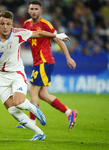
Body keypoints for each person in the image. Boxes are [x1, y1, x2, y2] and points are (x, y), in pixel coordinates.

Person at [0, 10, 70, 140]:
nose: (5, 27)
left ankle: (33, 108)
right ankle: (39, 133)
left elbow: (38, 33)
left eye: (8, 24)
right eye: (2, 23)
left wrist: (56, 36)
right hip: (0, 76)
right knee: (12, 111)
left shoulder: (18, 33)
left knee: (19, 102)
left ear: (12, 24)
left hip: (17, 74)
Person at [17, 0, 77, 129]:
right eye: (31, 9)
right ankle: (69, 112)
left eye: (36, 9)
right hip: (37, 63)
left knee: (32, 90)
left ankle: (32, 122)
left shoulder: (46, 24)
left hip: (45, 61)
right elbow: (20, 39)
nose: (33, 11)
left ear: (41, 11)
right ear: (28, 11)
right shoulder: (26, 24)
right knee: (43, 94)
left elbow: (59, 39)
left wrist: (68, 57)